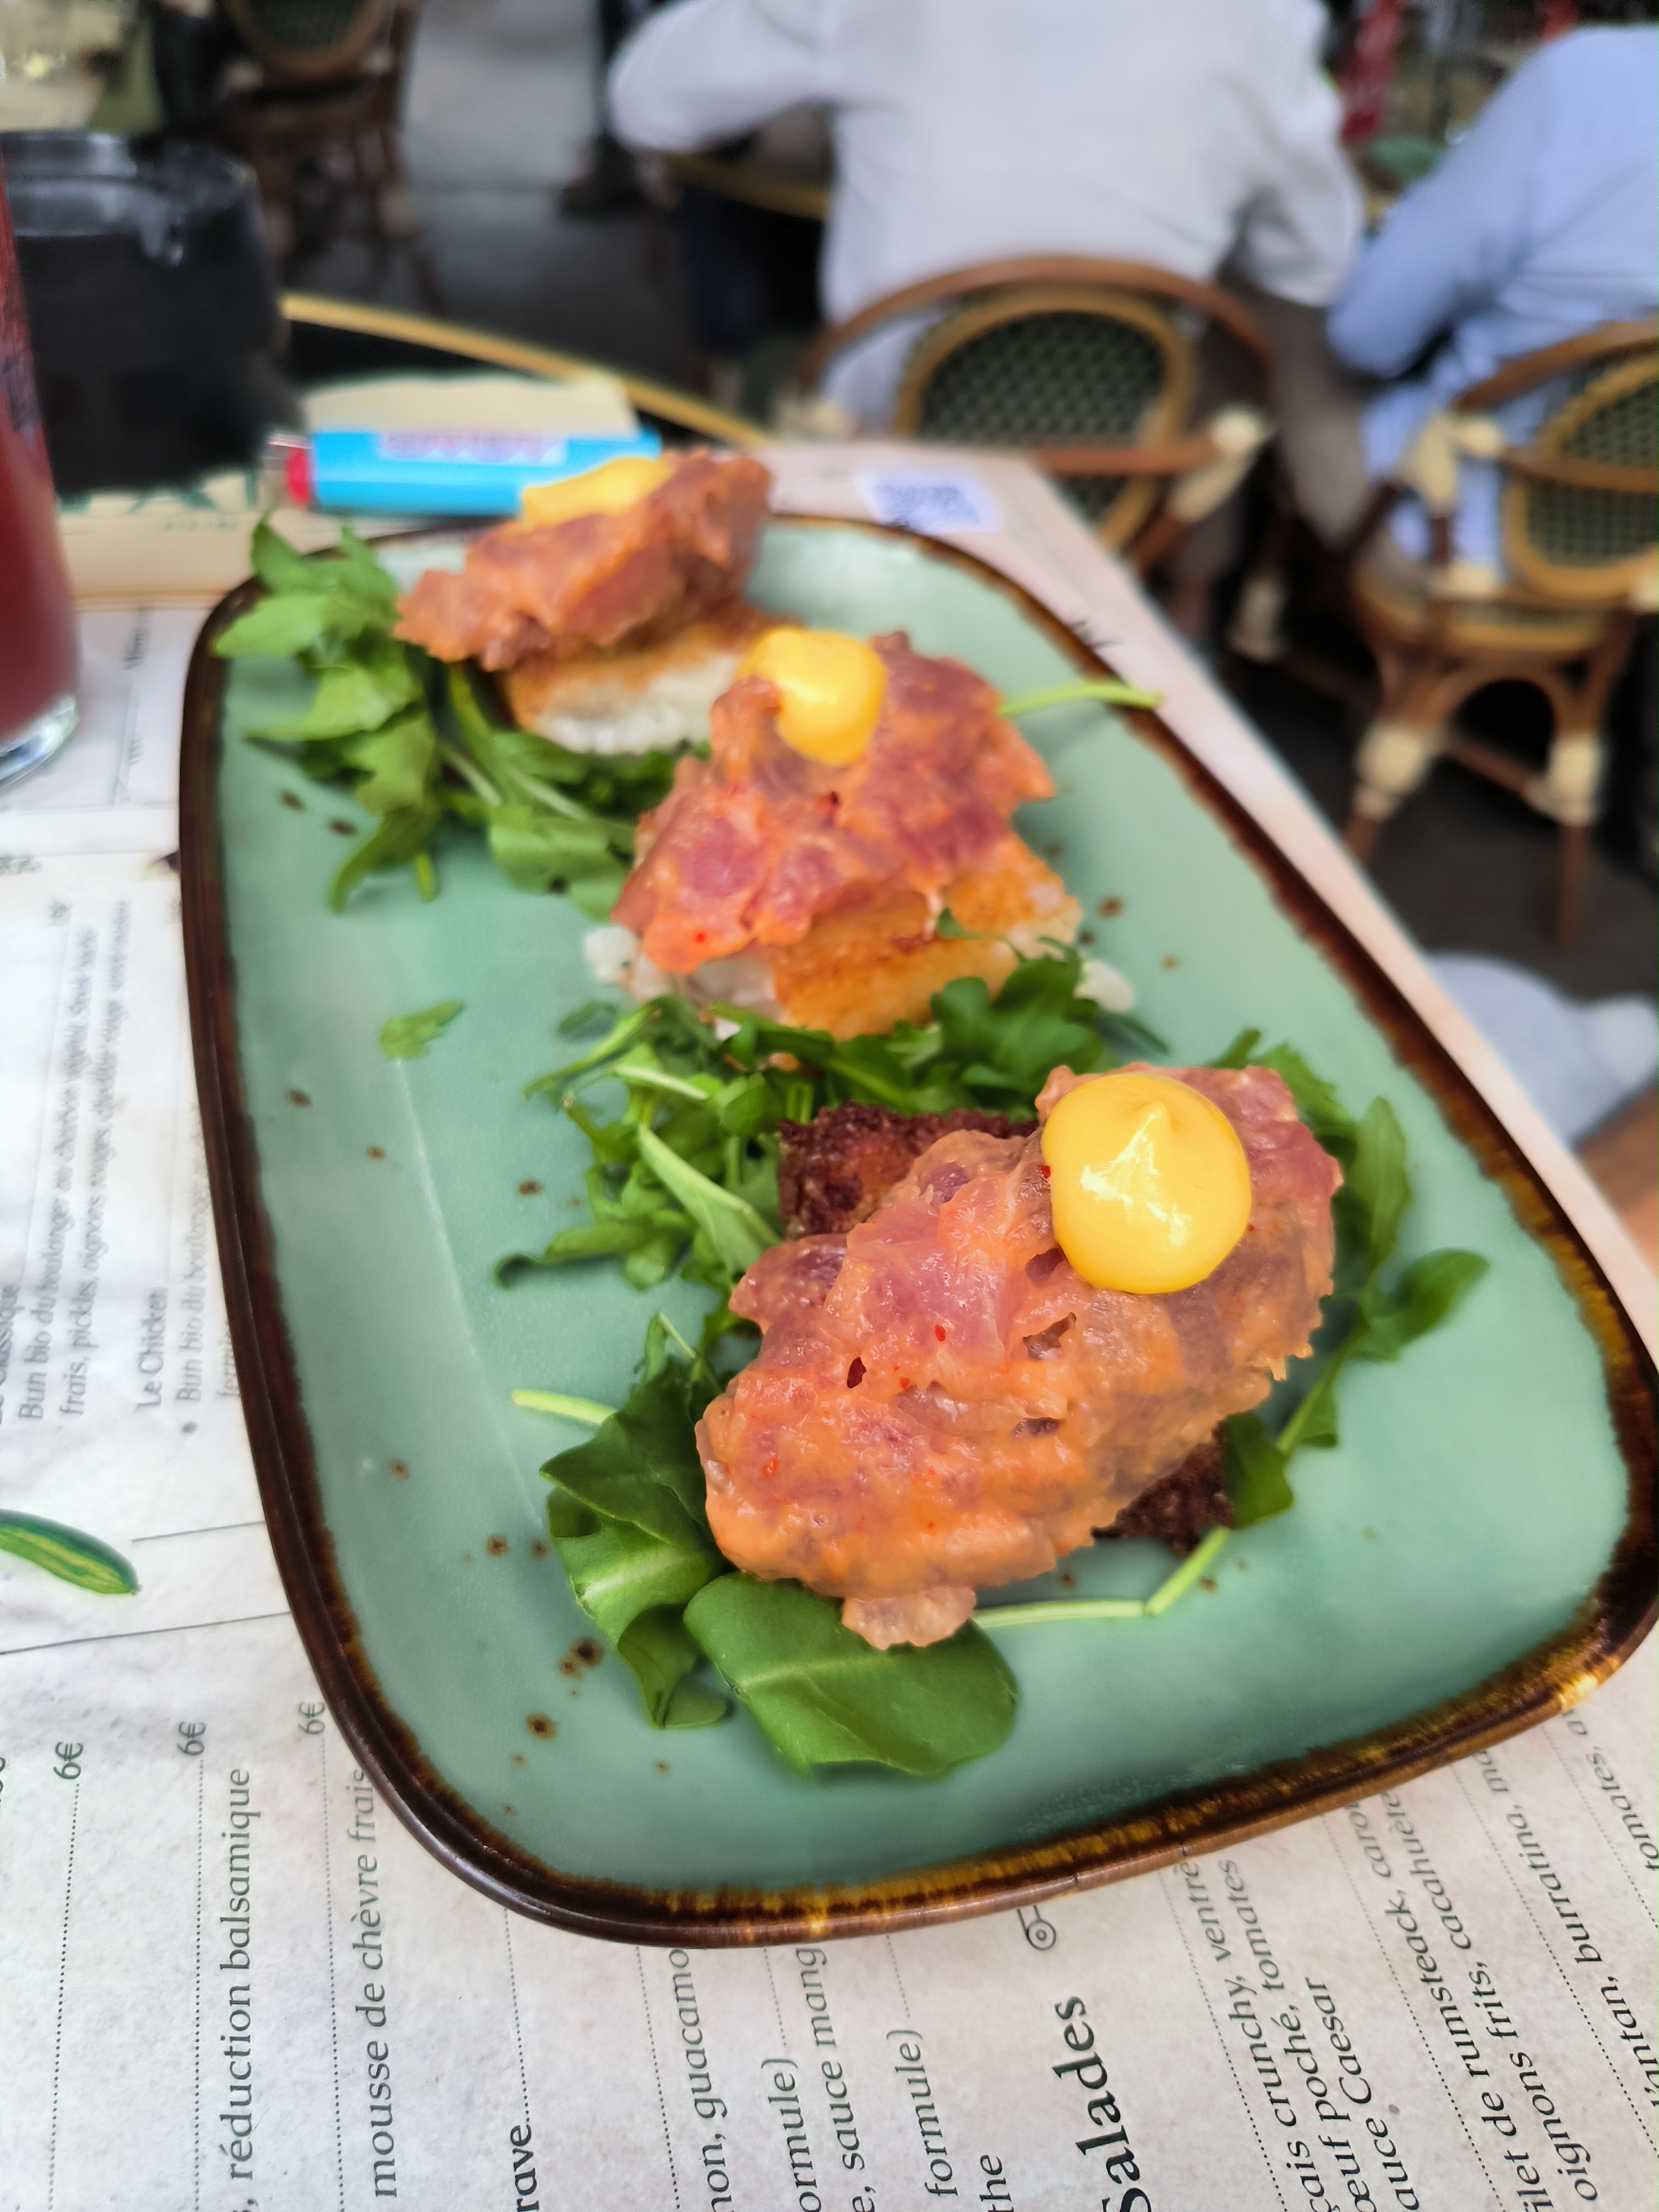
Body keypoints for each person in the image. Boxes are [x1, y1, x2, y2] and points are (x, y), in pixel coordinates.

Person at [607, 0, 1362, 430]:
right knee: (1229, 360)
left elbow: (645, 103)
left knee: (755, 325)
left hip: (885, 460)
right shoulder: (1269, 18)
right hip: (1120, 477)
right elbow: (1316, 260)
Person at [1327, 6, 1659, 571]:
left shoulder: (1587, 79)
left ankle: (1206, 605)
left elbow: (1365, 338)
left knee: (1288, 331)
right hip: (1636, 568)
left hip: (1456, 542)